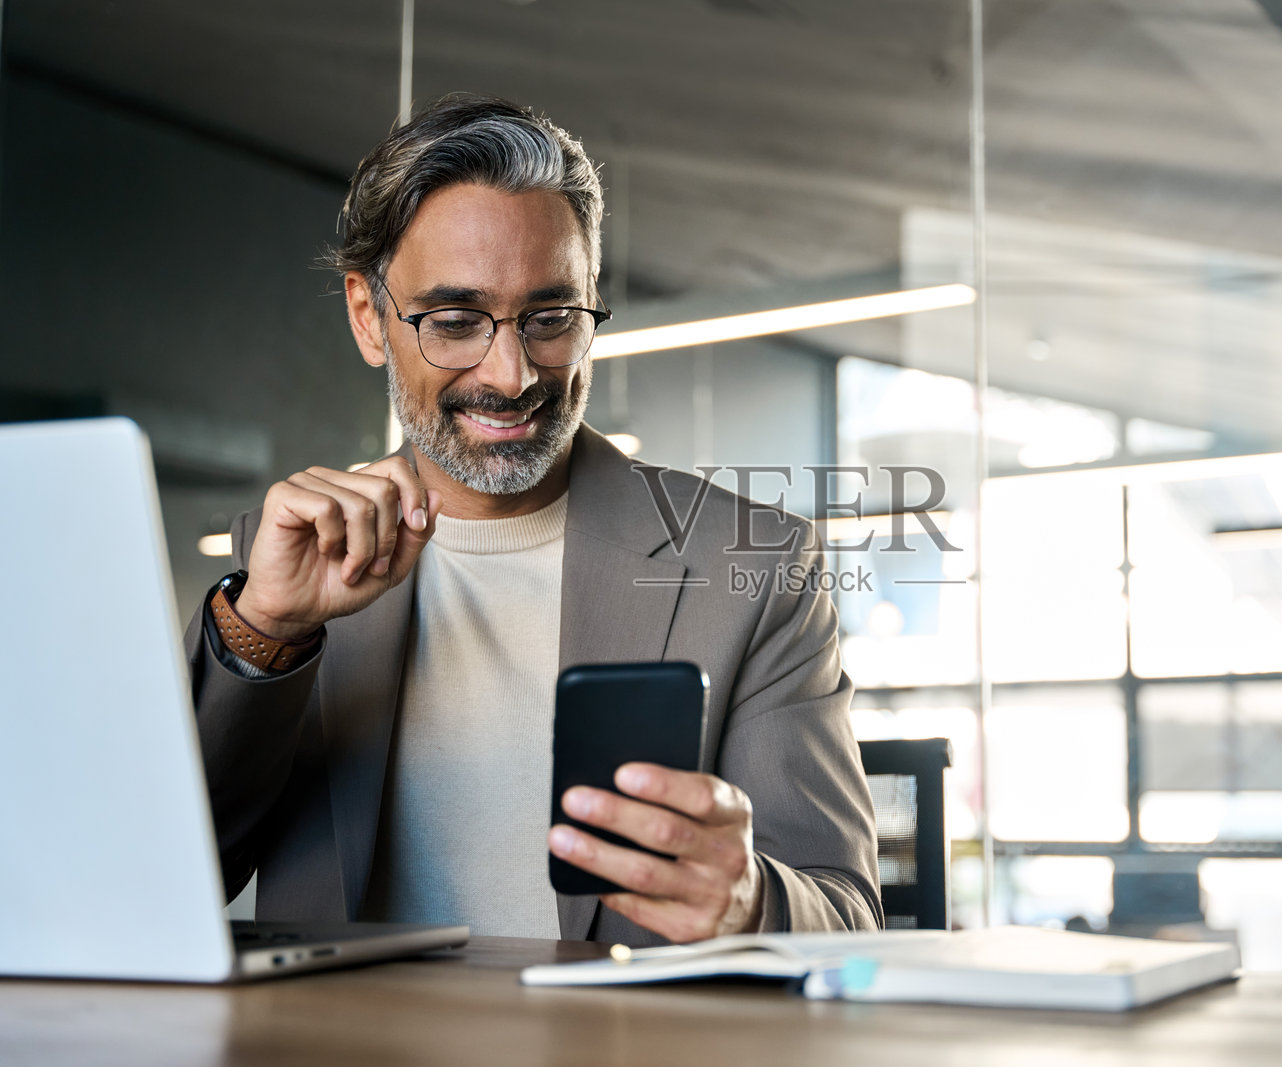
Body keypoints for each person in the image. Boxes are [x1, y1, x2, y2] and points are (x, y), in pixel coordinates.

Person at [184, 93, 881, 947]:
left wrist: (748, 899)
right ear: (369, 317)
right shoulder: (291, 555)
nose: (511, 375)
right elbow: (176, 872)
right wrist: (266, 629)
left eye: (551, 318)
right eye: (454, 322)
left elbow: (848, 916)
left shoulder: (757, 568)